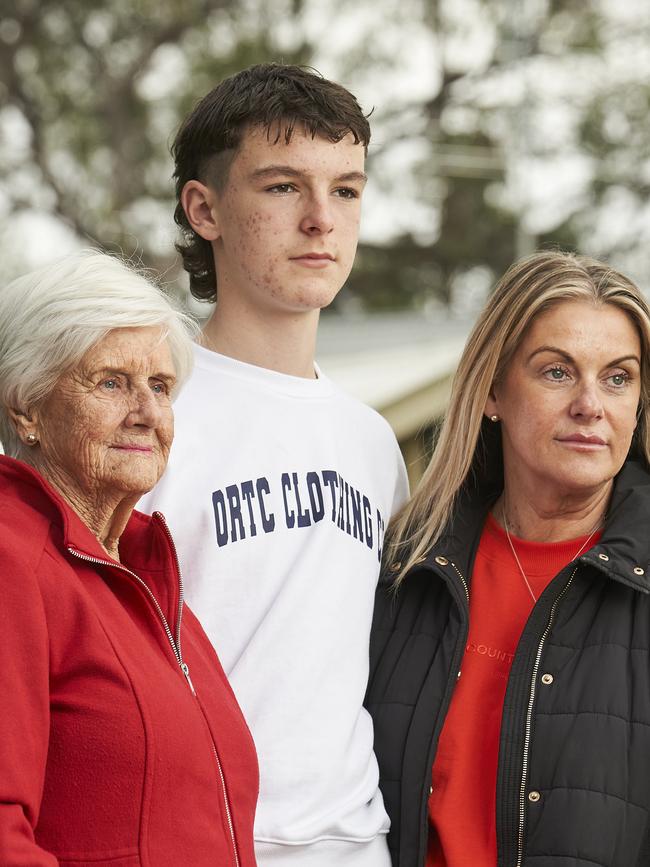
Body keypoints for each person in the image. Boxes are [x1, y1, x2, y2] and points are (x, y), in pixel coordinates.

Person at [140, 63, 408, 867]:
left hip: (360, 844)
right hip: (197, 842)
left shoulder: (373, 443)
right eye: (284, 187)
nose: (323, 220)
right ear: (205, 208)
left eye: (348, 190)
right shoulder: (146, 413)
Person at [366, 250, 650, 867]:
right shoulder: (403, 567)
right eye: (557, 372)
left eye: (618, 377)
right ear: (492, 389)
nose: (590, 405)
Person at [0, 251, 258, 867]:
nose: (146, 412)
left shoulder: (149, 576)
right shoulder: (12, 564)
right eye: (112, 382)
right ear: (27, 409)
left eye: (161, 386)